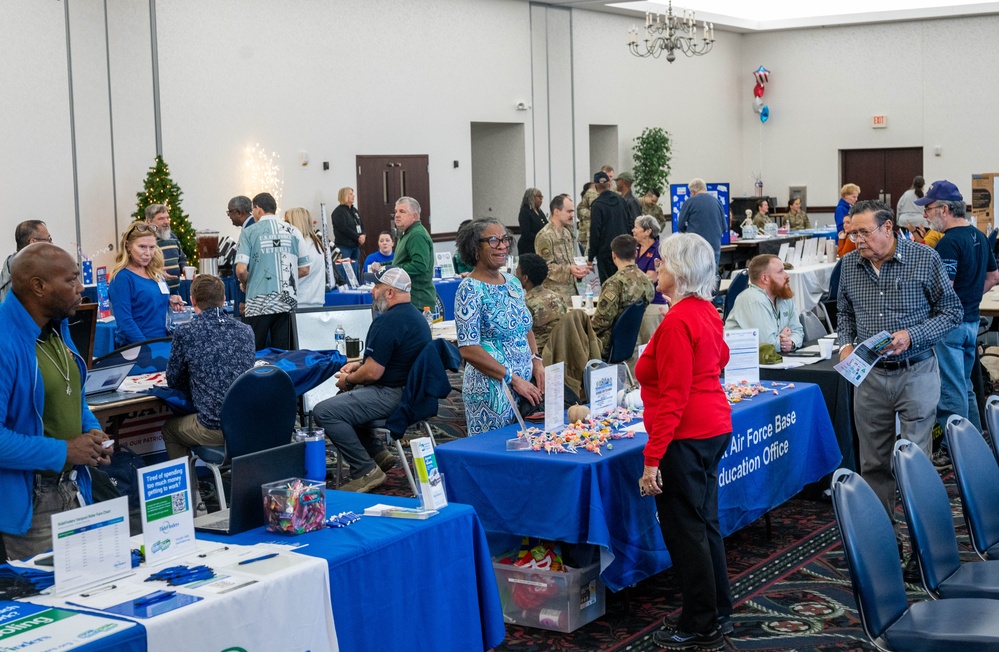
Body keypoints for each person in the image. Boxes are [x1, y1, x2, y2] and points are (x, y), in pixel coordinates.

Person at [837, 199, 962, 580]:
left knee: (914, 463)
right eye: (851, 232)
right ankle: (884, 547)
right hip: (870, 377)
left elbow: (952, 312)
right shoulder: (848, 265)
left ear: (888, 227)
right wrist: (845, 344)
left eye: (863, 232)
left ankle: (926, 549)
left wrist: (913, 335)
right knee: (873, 465)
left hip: (916, 372)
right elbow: (843, 311)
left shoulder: (924, 260)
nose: (855, 240)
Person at [638, 233, 733, 651]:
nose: (656, 269)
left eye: (660, 264)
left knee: (685, 532)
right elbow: (721, 359)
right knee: (704, 524)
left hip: (686, 434)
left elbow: (673, 396)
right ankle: (716, 609)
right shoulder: (705, 311)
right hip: (713, 426)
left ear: (677, 271)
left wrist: (652, 459)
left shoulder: (676, 320)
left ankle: (700, 623)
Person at [0, 244, 110, 560]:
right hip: (31, 504)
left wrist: (90, 431)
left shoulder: (56, 327)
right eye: (71, 280)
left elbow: (72, 392)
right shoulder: (5, 341)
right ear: (39, 287)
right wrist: (64, 450)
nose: (81, 288)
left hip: (73, 488)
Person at [313, 266, 431, 492]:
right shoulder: (417, 318)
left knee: (325, 411)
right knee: (346, 399)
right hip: (413, 395)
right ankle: (378, 453)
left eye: (377, 287)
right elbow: (390, 361)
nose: (372, 291)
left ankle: (365, 470)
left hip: (392, 395)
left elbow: (372, 373)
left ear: (390, 293)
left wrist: (349, 380)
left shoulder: (387, 321)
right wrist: (359, 367)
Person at [161, 275, 255, 504]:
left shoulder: (186, 333)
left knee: (169, 430)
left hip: (214, 428)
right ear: (224, 299)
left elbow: (173, 380)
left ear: (192, 300)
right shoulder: (246, 331)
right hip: (249, 426)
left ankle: (189, 502)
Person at [916, 180, 999, 439]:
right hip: (972, 321)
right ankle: (974, 441)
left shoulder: (948, 243)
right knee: (965, 386)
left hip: (949, 326)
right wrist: (970, 299)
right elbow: (993, 277)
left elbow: (944, 288)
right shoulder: (980, 236)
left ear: (944, 209)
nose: (925, 216)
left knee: (951, 392)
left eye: (928, 209)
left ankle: (958, 448)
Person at [455, 218, 544, 435]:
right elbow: (468, 348)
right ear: (475, 248)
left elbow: (525, 326)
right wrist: (512, 379)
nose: (502, 246)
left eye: (505, 239)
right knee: (497, 453)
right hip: (492, 390)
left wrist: (536, 360)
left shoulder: (513, 282)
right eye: (493, 240)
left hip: (525, 386)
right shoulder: (469, 290)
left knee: (529, 447)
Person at [235, 192, 309, 350]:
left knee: (255, 354)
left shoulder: (249, 232)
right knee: (284, 355)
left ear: (258, 209)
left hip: (258, 302)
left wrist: (246, 282)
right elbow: (304, 268)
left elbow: (241, 269)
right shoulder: (294, 231)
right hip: (287, 301)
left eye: (253, 210)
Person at [109, 221, 178, 347]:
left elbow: (151, 300)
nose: (148, 253)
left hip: (162, 343)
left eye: (152, 247)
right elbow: (125, 322)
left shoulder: (154, 272)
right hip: (137, 348)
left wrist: (170, 300)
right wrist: (146, 347)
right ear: (128, 246)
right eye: (142, 247)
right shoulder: (122, 278)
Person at [590, 235, 654, 358]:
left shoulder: (614, 283)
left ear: (613, 255)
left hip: (609, 345)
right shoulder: (647, 281)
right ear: (636, 253)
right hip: (634, 340)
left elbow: (601, 322)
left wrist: (585, 332)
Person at [724, 254, 804, 353]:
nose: (787, 276)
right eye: (780, 272)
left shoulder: (783, 295)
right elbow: (767, 345)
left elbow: (798, 331)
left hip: (772, 359)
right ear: (765, 278)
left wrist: (791, 342)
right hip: (745, 362)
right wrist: (782, 339)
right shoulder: (753, 299)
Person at [535, 194, 588, 299]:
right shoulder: (545, 236)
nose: (572, 215)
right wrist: (570, 269)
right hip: (555, 294)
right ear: (556, 212)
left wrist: (577, 270)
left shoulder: (566, 233)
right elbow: (545, 268)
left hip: (571, 291)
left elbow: (569, 261)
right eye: (569, 211)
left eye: (573, 211)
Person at [392, 196, 436, 315]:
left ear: (414, 216)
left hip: (418, 300)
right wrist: (384, 266)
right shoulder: (407, 233)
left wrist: (393, 271)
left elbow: (419, 266)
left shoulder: (417, 235)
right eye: (396, 211)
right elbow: (403, 261)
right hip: (411, 298)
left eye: (402, 211)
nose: (397, 215)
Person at [516, 253, 567, 355]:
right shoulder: (558, 298)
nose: (515, 277)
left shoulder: (525, 304)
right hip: (562, 351)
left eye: (517, 274)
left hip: (538, 354)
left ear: (525, 278)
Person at [588, 171, 631, 284]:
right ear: (609, 184)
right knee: (624, 283)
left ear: (595, 187)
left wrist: (590, 256)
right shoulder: (621, 200)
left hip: (605, 252)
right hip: (623, 250)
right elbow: (630, 222)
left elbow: (595, 232)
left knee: (609, 285)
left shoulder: (597, 205)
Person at [677, 178, 727, 272]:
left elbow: (680, 226)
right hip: (714, 246)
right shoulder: (717, 202)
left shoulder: (689, 202)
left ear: (692, 191)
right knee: (712, 276)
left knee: (697, 277)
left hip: (696, 247)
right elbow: (724, 227)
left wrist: (687, 232)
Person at [284, 207, 326, 308]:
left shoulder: (304, 247)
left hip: (302, 302)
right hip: (313, 301)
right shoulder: (315, 244)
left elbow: (300, 273)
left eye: (287, 222)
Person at [0, 220, 52, 302]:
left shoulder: (9, 264)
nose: (51, 244)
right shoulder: (32, 271)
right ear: (33, 242)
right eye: (48, 239)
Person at [145, 203, 187, 296]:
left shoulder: (173, 237)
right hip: (155, 294)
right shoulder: (145, 242)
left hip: (175, 294)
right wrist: (157, 274)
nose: (166, 221)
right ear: (149, 221)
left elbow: (182, 258)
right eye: (161, 219)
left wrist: (184, 268)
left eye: (167, 218)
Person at [227, 195, 254, 319]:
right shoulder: (249, 227)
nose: (229, 216)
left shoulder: (250, 230)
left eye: (229, 212)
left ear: (239, 212)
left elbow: (245, 268)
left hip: (248, 293)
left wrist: (243, 299)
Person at [633, 215, 668, 307]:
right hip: (636, 303)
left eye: (636, 227)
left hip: (653, 303)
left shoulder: (658, 250)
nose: (633, 230)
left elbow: (650, 278)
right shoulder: (635, 247)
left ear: (648, 231)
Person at [578, 166, 614, 253]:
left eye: (611, 176)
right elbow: (580, 209)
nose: (609, 179)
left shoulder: (614, 193)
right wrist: (593, 214)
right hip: (588, 232)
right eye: (607, 176)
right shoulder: (590, 192)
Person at [331, 187, 365, 276]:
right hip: (344, 246)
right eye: (350, 193)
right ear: (344, 195)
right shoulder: (338, 212)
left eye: (353, 193)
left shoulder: (354, 210)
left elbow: (361, 224)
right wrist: (358, 237)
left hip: (355, 246)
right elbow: (344, 228)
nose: (353, 195)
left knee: (355, 267)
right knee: (345, 270)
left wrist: (363, 235)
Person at [517, 188, 547, 256]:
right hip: (528, 246)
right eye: (539, 196)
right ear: (531, 197)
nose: (541, 199)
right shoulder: (525, 211)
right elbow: (525, 233)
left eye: (542, 197)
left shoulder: (539, 211)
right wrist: (540, 237)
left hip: (539, 245)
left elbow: (546, 224)